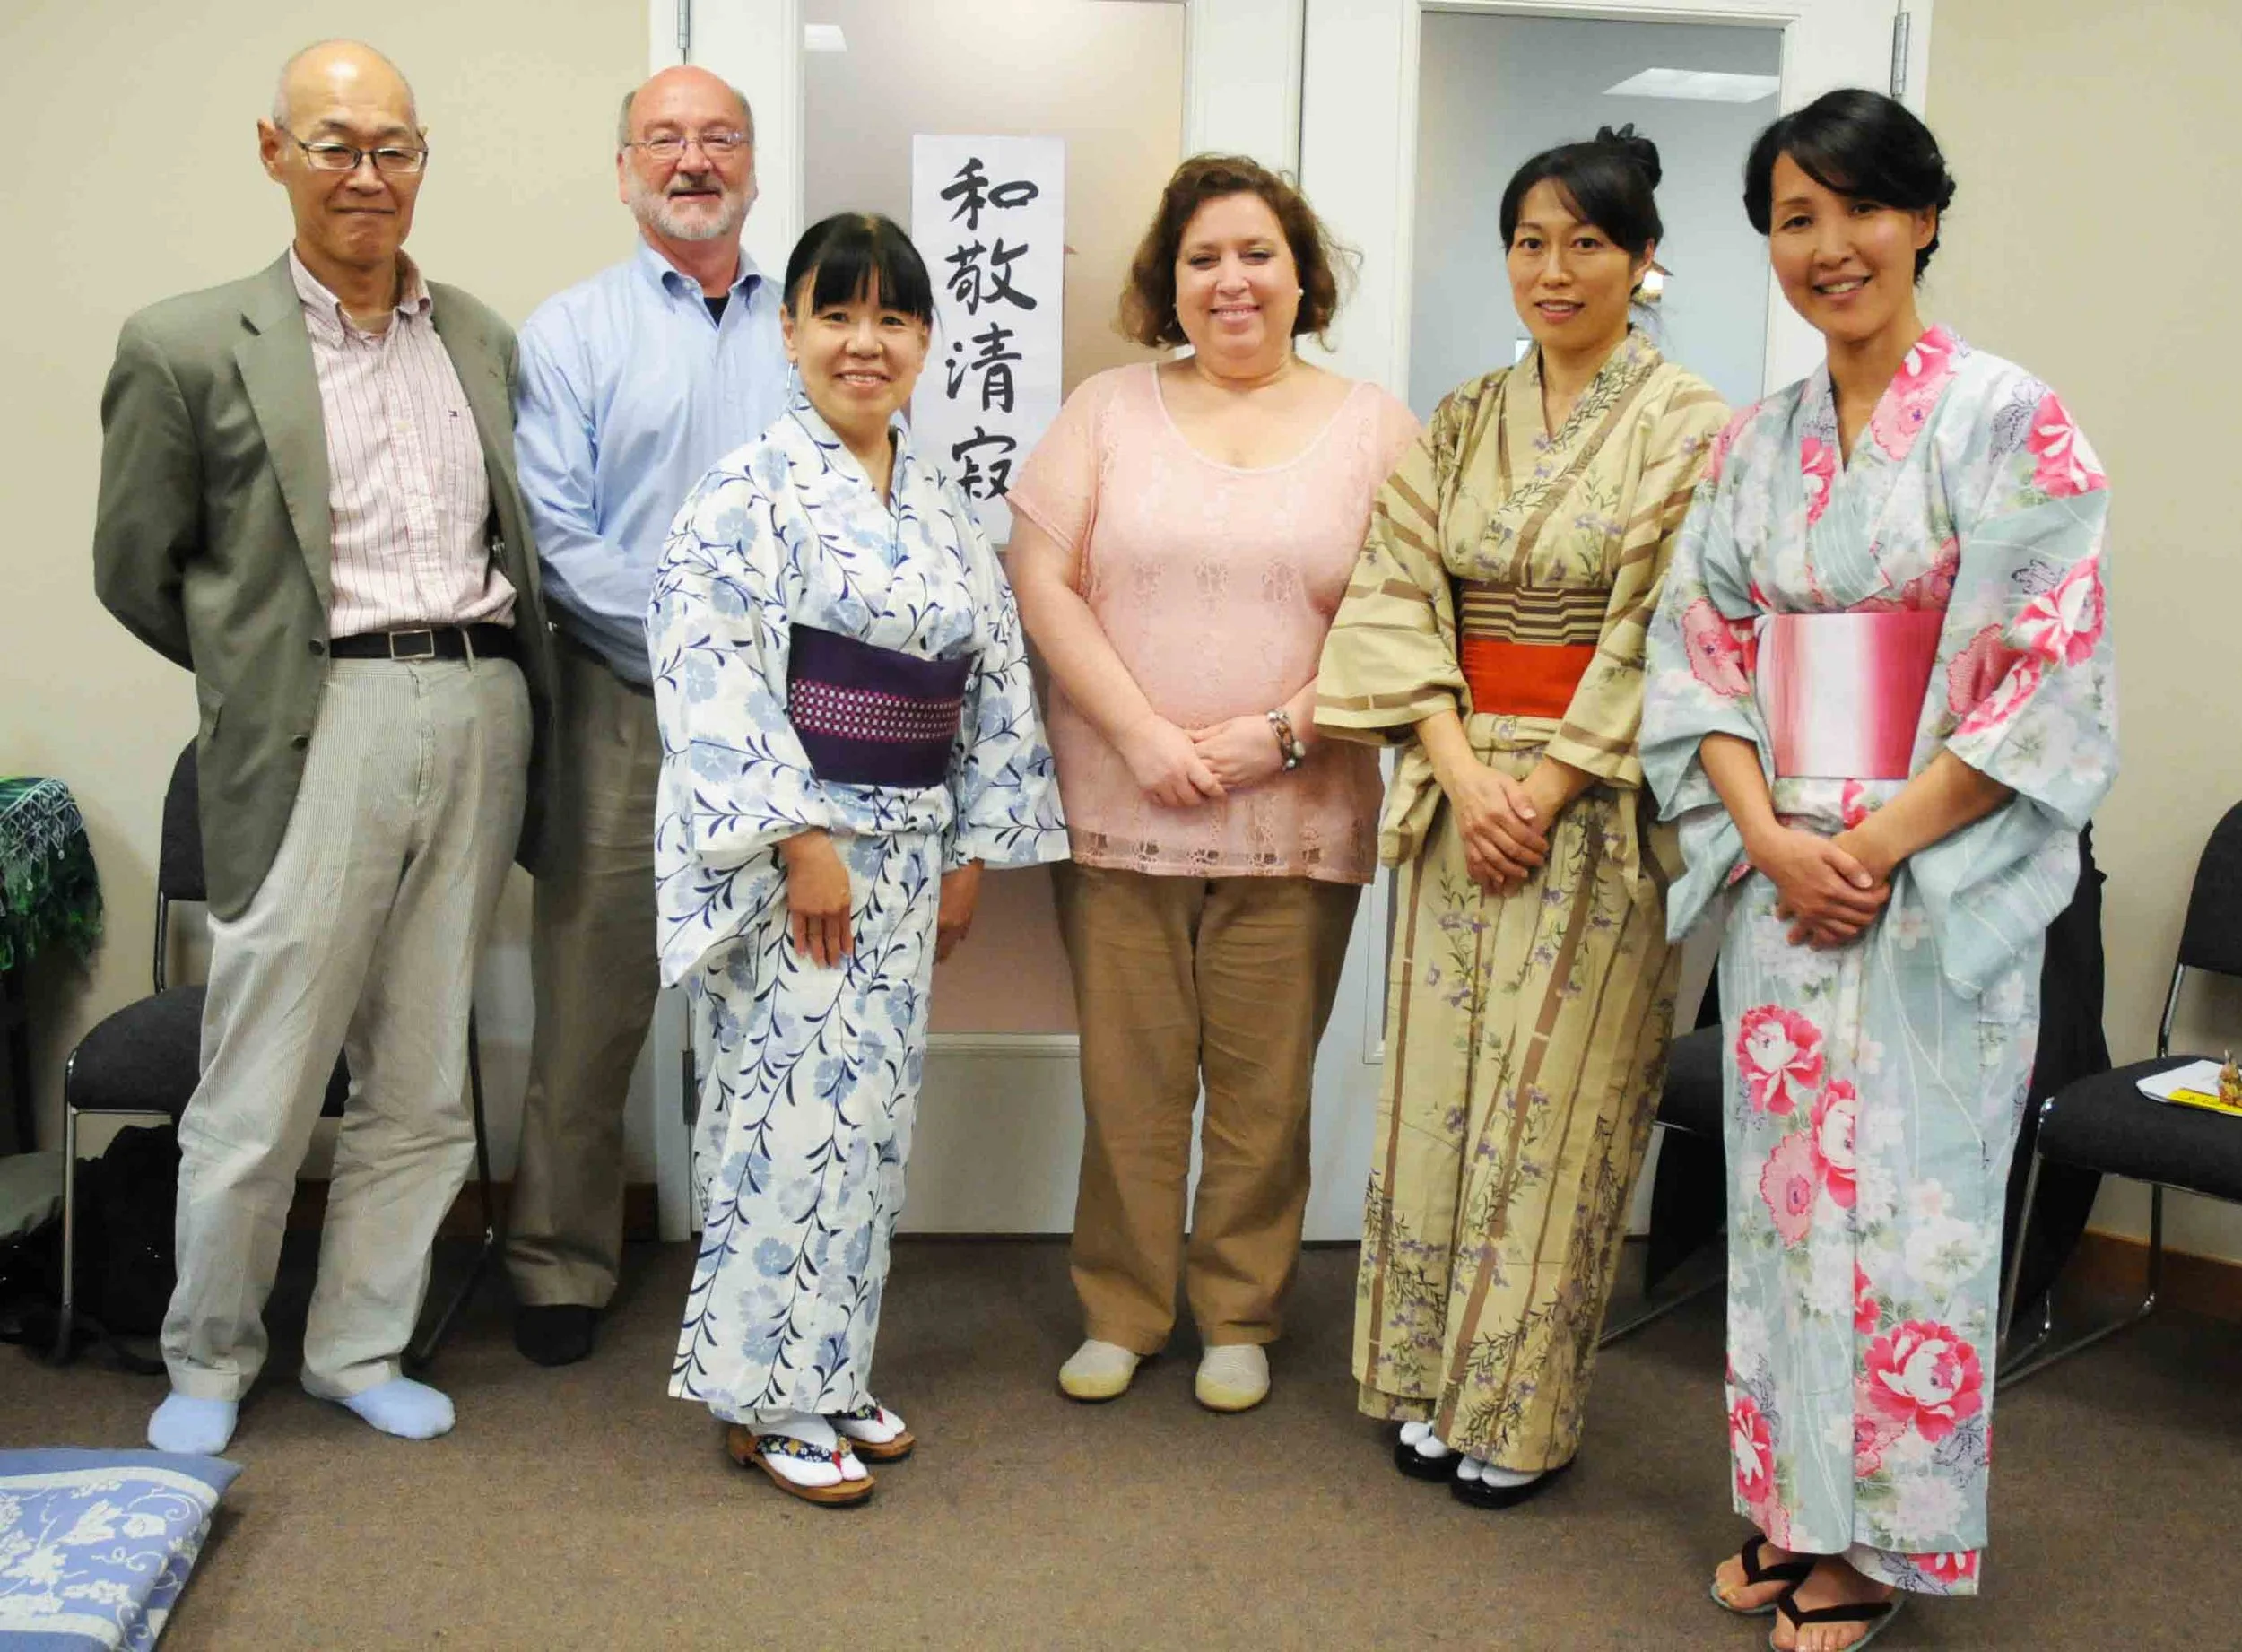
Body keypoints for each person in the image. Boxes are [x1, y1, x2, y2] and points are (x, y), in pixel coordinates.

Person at [1641, 90, 2116, 1651]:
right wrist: (1774, 838)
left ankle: (1881, 1544)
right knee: (1785, 1208)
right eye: (1794, 218)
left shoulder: (2009, 418)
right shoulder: (1754, 443)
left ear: (1921, 215)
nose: (1828, 246)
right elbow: (1699, 656)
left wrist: (1877, 839)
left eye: (1858, 209)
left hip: (1934, 878)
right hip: (1791, 876)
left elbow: (2044, 673)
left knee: (1914, 1213)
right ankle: (1793, 1508)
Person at [93, 40, 554, 1454]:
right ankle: (211, 1361)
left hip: (479, 704)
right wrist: (268, 677)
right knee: (262, 1076)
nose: (368, 174)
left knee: (423, 1070)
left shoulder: (476, 333)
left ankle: (358, 1344)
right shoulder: (185, 343)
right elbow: (135, 568)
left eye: (394, 147)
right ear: (273, 150)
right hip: (319, 721)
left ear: (423, 161)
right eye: (336, 143)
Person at [1316, 127, 1726, 1506]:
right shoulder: (1461, 417)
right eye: (1531, 243)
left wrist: (1545, 783)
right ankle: (1430, 1377)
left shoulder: (1689, 425)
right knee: (1439, 1088)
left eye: (1589, 243)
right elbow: (1394, 589)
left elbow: (1670, 626)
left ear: (1643, 260)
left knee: (1551, 1106)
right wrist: (1454, 755)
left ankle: (1519, 1406)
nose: (1555, 271)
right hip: (1455, 791)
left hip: (1592, 802)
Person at [649, 213, 1066, 1505]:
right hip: (801, 860)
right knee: (785, 1117)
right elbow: (710, 669)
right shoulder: (746, 491)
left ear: (928, 340)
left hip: (908, 847)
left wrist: (973, 850)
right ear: (790, 331)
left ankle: (823, 1367)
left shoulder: (937, 498)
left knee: (867, 1127)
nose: (864, 342)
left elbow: (992, 671)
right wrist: (800, 836)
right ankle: (763, 1395)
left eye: (892, 317)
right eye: (837, 313)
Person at [1007, 154, 1419, 1414]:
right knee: (1129, 1083)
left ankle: (1237, 1312)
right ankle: (1123, 1308)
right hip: (1124, 805)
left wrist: (1284, 735)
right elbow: (1041, 580)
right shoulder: (1105, 411)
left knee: (1263, 1084)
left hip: (1298, 808)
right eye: (1202, 259)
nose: (1230, 280)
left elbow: (1400, 615)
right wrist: (1136, 732)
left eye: (1255, 254)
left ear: (1302, 275)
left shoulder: (1376, 428)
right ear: (1168, 284)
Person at [506, 66, 789, 1369]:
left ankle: (784, 1253)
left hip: (799, 721)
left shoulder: (815, 324)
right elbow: (555, 538)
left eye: (718, 137)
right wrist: (701, 647)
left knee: (791, 1003)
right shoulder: (569, 333)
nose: (693, 160)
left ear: (751, 163)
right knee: (589, 1000)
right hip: (628, 706)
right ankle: (561, 1260)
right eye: (664, 140)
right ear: (624, 170)